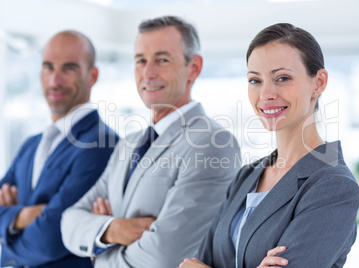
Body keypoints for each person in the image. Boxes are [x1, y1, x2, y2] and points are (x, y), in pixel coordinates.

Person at [61, 16, 241, 268]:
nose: (147, 73)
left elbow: (164, 258)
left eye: (162, 60)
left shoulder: (213, 143)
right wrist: (111, 229)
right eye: (140, 61)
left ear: (194, 68)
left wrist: (99, 252)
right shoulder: (128, 144)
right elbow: (69, 221)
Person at [179, 23, 359, 268]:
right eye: (255, 80)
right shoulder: (248, 175)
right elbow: (201, 259)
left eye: (282, 78)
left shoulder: (334, 186)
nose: (266, 94)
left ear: (318, 83)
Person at [0, 31, 118, 267]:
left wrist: (9, 226)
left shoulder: (102, 144)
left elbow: (50, 240)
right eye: (48, 67)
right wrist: (24, 216)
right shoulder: (31, 144)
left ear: (92, 75)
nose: (55, 80)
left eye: (69, 68)